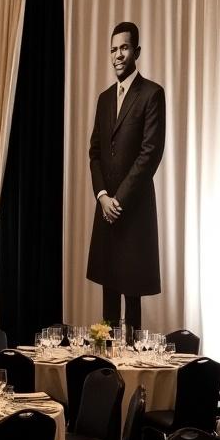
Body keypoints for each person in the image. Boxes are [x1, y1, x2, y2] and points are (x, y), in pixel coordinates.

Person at [86, 21, 166, 335]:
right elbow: (94, 152)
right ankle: (106, 371)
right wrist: (102, 196)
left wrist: (119, 199)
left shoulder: (152, 94)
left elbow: (150, 154)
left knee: (132, 301)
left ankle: (133, 373)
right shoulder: (104, 99)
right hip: (106, 209)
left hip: (133, 211)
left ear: (137, 51)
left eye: (124, 48)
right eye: (113, 49)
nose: (118, 55)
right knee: (107, 295)